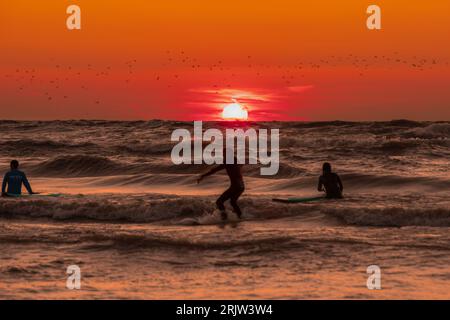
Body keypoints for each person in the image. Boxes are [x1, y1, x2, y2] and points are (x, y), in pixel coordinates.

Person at [197, 151, 245, 220]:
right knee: (233, 202)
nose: (223, 156)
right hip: (241, 186)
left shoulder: (228, 162)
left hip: (235, 186)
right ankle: (240, 217)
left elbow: (215, 170)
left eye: (224, 154)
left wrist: (203, 176)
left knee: (219, 202)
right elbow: (241, 165)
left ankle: (224, 218)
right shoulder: (236, 161)